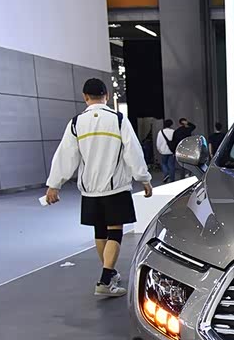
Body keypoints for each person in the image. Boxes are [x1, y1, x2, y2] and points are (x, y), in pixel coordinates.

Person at [44, 78, 153, 297]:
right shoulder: (118, 119)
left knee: (100, 231)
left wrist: (54, 184)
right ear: (107, 96)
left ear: (85, 97)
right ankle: (105, 279)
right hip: (115, 188)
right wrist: (144, 178)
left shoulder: (76, 123)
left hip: (90, 190)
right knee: (115, 231)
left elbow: (65, 155)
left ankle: (109, 273)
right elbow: (133, 150)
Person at [156, 119, 176, 183]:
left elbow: (158, 142)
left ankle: (166, 174)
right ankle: (172, 178)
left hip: (163, 151)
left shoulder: (160, 132)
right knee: (171, 165)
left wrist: (159, 149)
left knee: (164, 164)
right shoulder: (173, 131)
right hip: (171, 151)